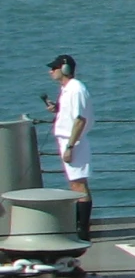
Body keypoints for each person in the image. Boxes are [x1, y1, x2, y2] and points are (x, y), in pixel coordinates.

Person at [43, 54, 93, 241]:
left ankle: (82, 229)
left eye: (54, 68)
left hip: (74, 141)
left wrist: (70, 146)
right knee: (75, 184)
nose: (51, 71)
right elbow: (73, 114)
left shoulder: (75, 90)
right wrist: (58, 109)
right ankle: (80, 226)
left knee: (79, 184)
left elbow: (80, 120)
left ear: (63, 69)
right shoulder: (67, 90)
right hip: (69, 139)